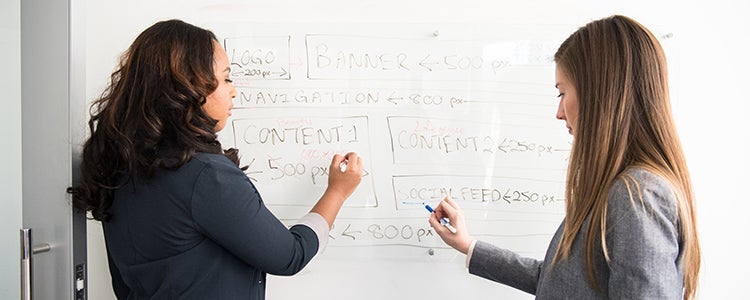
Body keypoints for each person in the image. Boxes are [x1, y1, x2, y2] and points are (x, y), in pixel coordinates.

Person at [67, 19, 363, 299]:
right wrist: (337, 192)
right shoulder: (204, 175)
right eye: (225, 78)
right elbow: (290, 256)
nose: (234, 90)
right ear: (187, 87)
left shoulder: (117, 166)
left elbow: (125, 284)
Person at [428, 15, 700, 299]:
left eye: (562, 93)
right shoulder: (619, 189)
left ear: (601, 95)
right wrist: (467, 245)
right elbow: (559, 281)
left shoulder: (637, 196)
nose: (559, 112)